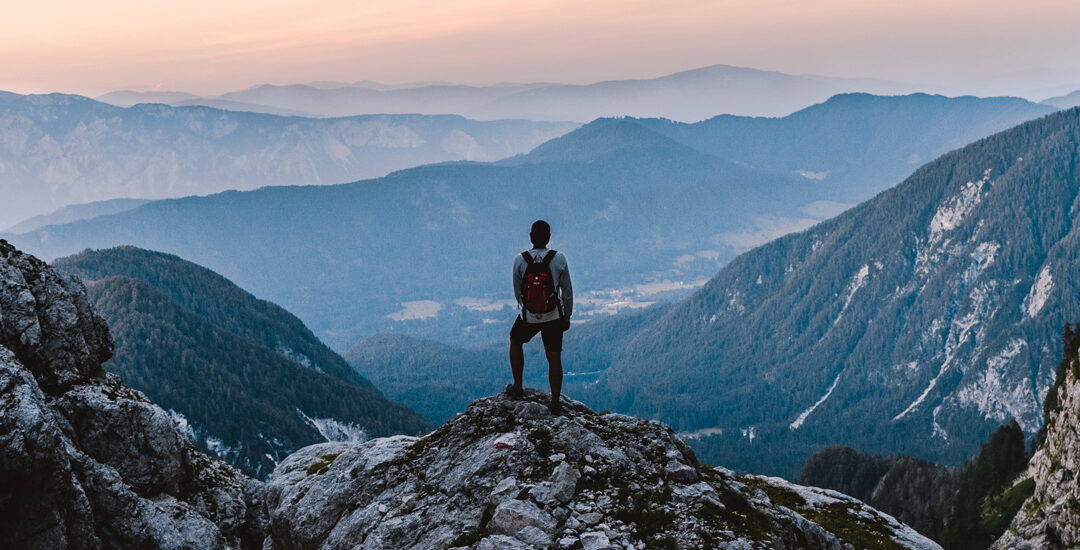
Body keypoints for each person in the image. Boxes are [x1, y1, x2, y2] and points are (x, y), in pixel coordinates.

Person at [508, 220, 573, 414]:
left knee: (515, 340)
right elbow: (567, 292)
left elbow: (517, 291)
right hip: (553, 316)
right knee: (554, 356)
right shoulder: (559, 258)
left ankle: (518, 386)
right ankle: (554, 402)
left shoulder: (520, 260)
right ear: (549, 238)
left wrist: (529, 309)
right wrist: (566, 316)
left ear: (530, 237)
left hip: (528, 317)